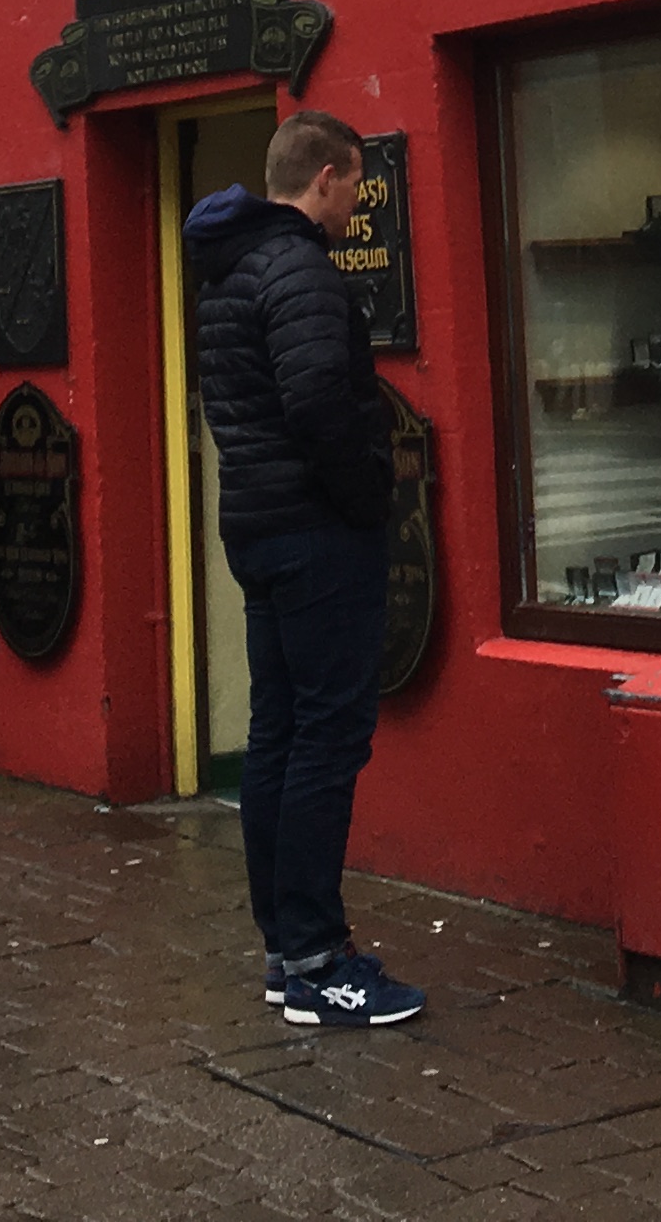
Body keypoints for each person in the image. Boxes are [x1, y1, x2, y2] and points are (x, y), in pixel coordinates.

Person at [186, 110, 419, 1029]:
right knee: (325, 739)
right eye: (356, 183)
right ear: (324, 177)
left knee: (278, 736)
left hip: (255, 527)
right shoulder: (303, 274)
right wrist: (368, 495)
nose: (359, 202)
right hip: (318, 534)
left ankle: (287, 953)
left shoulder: (230, 271)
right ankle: (321, 960)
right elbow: (322, 402)